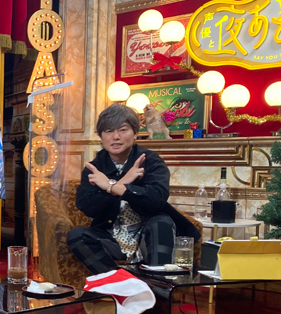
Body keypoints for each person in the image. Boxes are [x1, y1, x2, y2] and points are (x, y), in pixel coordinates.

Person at [67, 104, 200, 274]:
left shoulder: (151, 161)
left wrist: (114, 187)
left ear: (135, 133)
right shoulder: (94, 169)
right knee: (77, 235)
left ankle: (159, 284)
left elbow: (157, 199)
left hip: (149, 234)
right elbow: (88, 207)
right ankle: (120, 282)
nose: (116, 137)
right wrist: (124, 181)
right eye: (109, 131)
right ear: (101, 136)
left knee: (161, 222)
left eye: (123, 130)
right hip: (111, 236)